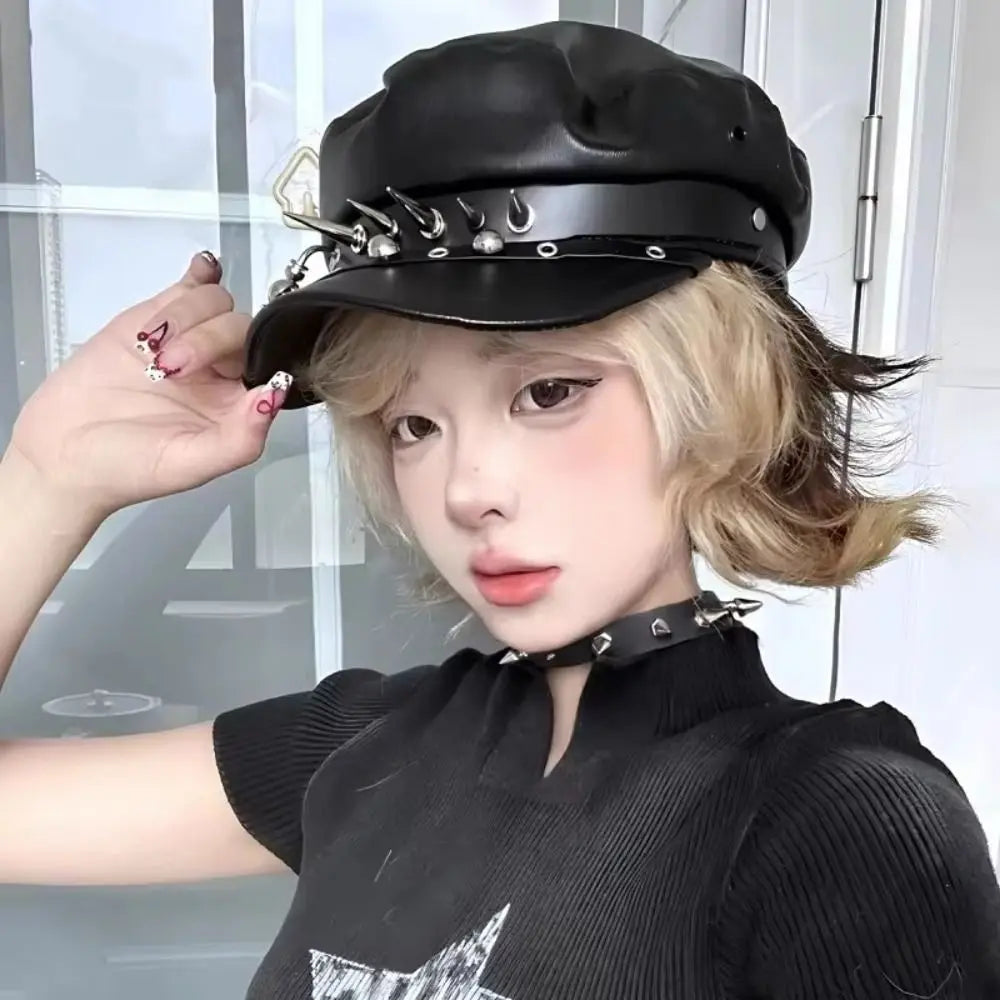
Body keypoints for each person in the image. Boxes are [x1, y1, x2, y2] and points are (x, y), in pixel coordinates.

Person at [0, 19, 997, 1000]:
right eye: (412, 424)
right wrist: (48, 478)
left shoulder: (837, 818)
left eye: (548, 392)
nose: (466, 490)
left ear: (715, 396)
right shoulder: (365, 746)